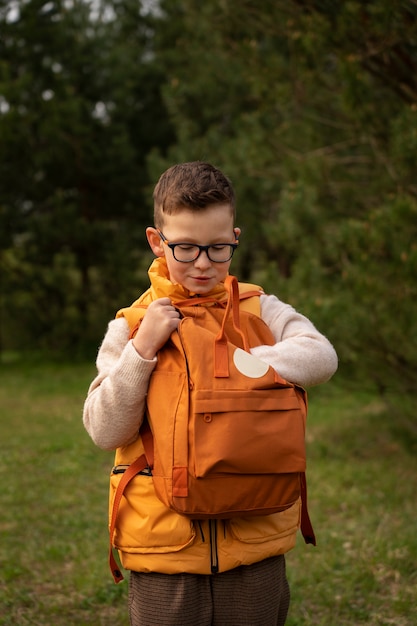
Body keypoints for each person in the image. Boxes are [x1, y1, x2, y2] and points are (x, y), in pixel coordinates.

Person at [83, 161, 338, 626]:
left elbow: (322, 357)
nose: (203, 262)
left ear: (235, 237)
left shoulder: (259, 309)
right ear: (157, 241)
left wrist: (244, 364)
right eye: (185, 247)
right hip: (165, 550)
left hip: (254, 539)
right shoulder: (132, 326)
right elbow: (104, 430)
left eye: (219, 248)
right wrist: (142, 350)